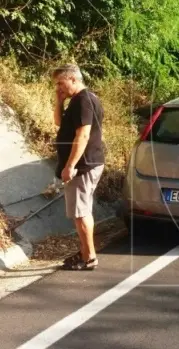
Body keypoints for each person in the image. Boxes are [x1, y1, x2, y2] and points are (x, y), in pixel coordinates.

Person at [53, 64, 105, 271]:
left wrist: (70, 165)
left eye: (60, 82)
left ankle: (89, 257)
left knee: (80, 213)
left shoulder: (84, 100)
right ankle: (85, 252)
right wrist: (59, 102)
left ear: (73, 79)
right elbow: (59, 123)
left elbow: (82, 135)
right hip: (87, 164)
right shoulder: (77, 101)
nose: (58, 87)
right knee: (82, 211)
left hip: (83, 165)